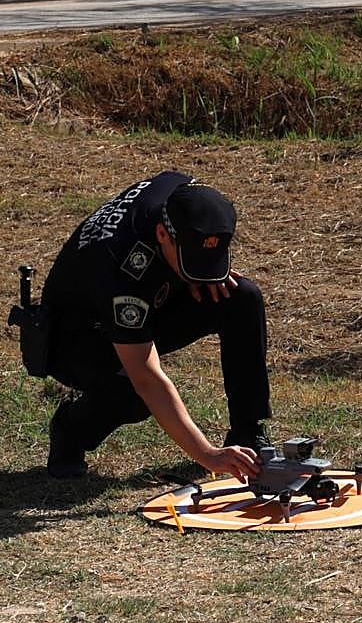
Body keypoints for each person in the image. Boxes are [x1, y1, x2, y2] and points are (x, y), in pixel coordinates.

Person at [39, 171, 272, 480]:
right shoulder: (121, 271)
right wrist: (207, 455)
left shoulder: (177, 196)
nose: (200, 271)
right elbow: (147, 379)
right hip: (77, 339)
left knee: (240, 297)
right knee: (133, 394)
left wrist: (201, 271)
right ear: (162, 234)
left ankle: (247, 433)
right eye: (192, 261)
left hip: (148, 298)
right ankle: (71, 429)